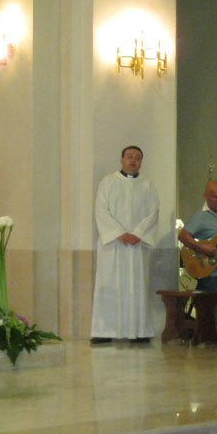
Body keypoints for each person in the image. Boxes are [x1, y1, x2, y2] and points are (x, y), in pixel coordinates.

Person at [90, 146, 160, 344]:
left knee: (137, 286)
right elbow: (101, 210)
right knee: (109, 286)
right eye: (130, 157)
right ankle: (104, 331)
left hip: (137, 247)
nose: (133, 161)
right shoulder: (108, 182)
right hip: (113, 246)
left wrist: (138, 233)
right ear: (121, 159)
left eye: (138, 158)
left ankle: (139, 332)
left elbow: (153, 212)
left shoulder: (148, 185)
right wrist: (119, 233)